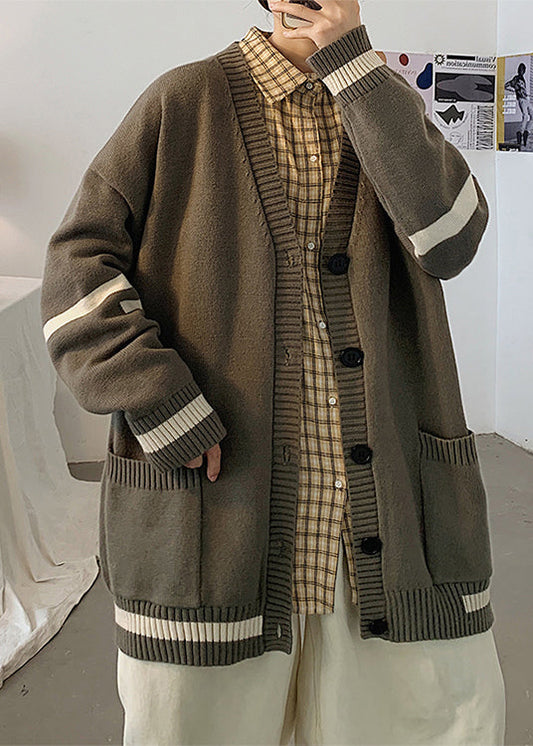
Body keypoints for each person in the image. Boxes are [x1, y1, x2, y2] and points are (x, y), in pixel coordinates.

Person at [41, 0, 507, 743]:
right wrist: (156, 397)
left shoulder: (384, 99)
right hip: (220, 510)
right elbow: (75, 269)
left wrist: (352, 66)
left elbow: (450, 240)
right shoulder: (183, 101)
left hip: (386, 521)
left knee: (428, 719)